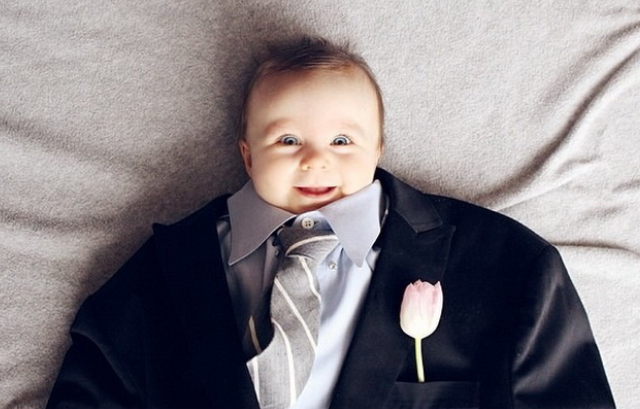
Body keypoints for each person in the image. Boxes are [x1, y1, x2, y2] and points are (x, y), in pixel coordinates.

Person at [46, 36, 616, 409]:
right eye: (287, 140)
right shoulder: (168, 271)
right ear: (247, 155)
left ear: (378, 148)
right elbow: (96, 379)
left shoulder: (503, 264)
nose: (315, 161)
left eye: (342, 140)